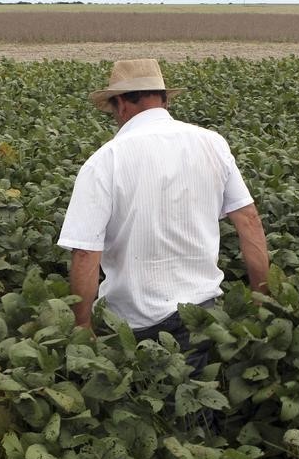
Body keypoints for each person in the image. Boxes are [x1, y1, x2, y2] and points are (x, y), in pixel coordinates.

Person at [58, 59, 269, 375]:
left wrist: (83, 324)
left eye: (113, 109)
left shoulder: (105, 161)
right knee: (197, 406)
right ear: (164, 98)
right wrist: (262, 300)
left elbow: (86, 253)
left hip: (137, 325)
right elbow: (249, 220)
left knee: (152, 414)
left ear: (121, 104)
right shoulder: (212, 143)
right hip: (205, 317)